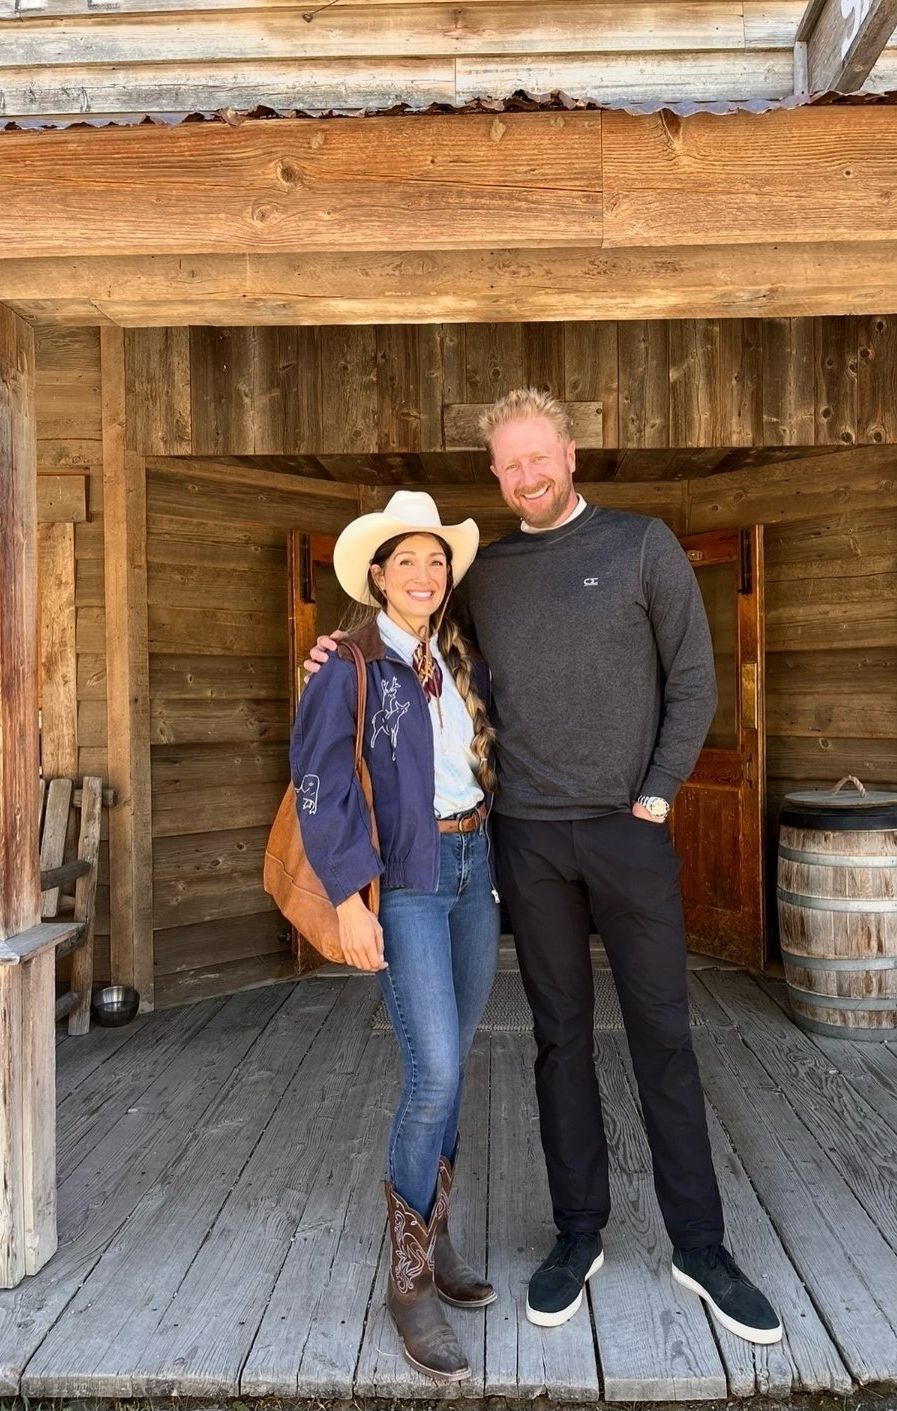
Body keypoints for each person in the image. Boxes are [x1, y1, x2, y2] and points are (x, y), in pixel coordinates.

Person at [308, 389, 782, 1348]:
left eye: (540, 457)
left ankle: (700, 1244)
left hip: (627, 831)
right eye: (509, 465)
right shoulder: (489, 578)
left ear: (571, 452)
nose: (527, 476)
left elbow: (695, 677)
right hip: (523, 838)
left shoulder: (644, 546)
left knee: (664, 1034)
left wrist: (655, 793)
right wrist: (336, 644)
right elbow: (409, 640)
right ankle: (578, 1232)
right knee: (558, 1037)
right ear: (496, 476)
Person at [290, 490, 501, 1384]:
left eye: (436, 560)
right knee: (434, 1074)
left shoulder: (457, 657)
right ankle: (407, 1280)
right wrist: (346, 896)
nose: (425, 573)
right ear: (376, 574)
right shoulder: (347, 662)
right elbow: (317, 780)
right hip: (406, 885)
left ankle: (436, 1232)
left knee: (452, 1063)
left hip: (473, 872)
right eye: (406, 559)